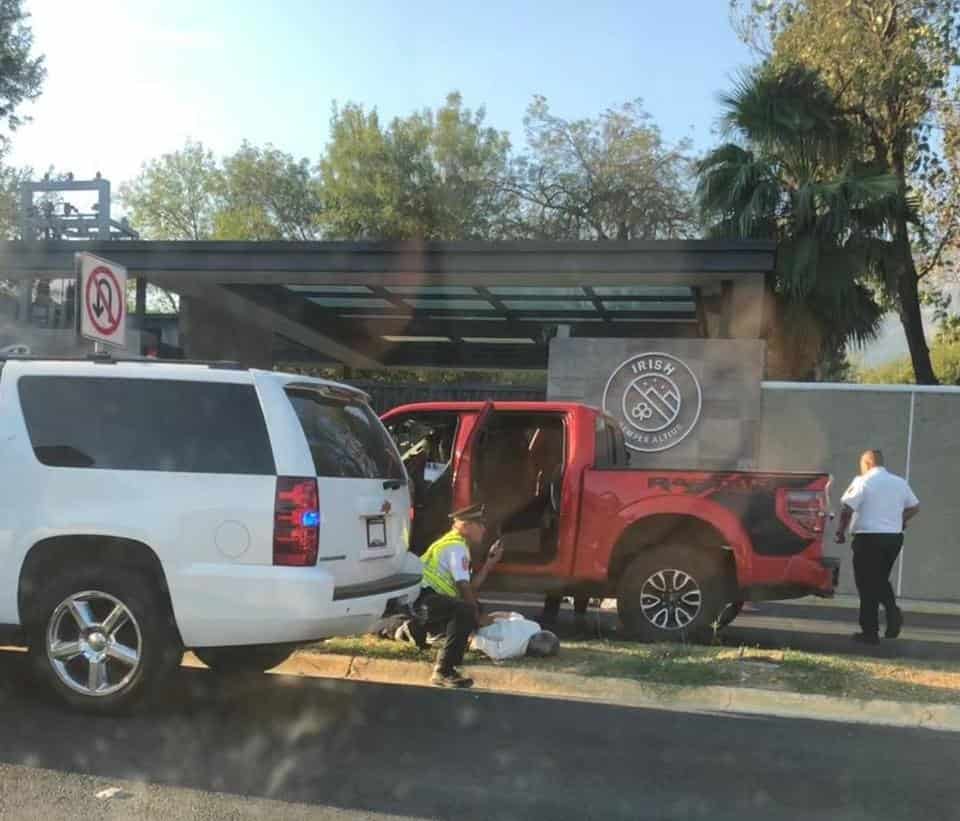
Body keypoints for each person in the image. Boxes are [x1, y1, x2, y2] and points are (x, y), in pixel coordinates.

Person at [413, 503, 504, 688]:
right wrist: (476, 617)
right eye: (480, 525)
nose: (484, 530)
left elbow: (468, 587)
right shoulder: (456, 547)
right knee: (466, 610)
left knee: (471, 606)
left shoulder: (455, 543)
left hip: (425, 600)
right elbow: (463, 587)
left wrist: (488, 564)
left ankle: (416, 631)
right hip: (423, 601)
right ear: (466, 525)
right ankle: (444, 671)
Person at [835, 449, 920, 645]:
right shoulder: (899, 482)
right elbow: (914, 507)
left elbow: (847, 507)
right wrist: (898, 520)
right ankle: (890, 615)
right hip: (893, 539)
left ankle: (871, 631)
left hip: (868, 538)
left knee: (866, 584)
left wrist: (840, 531)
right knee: (879, 579)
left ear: (867, 463)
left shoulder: (862, 481)